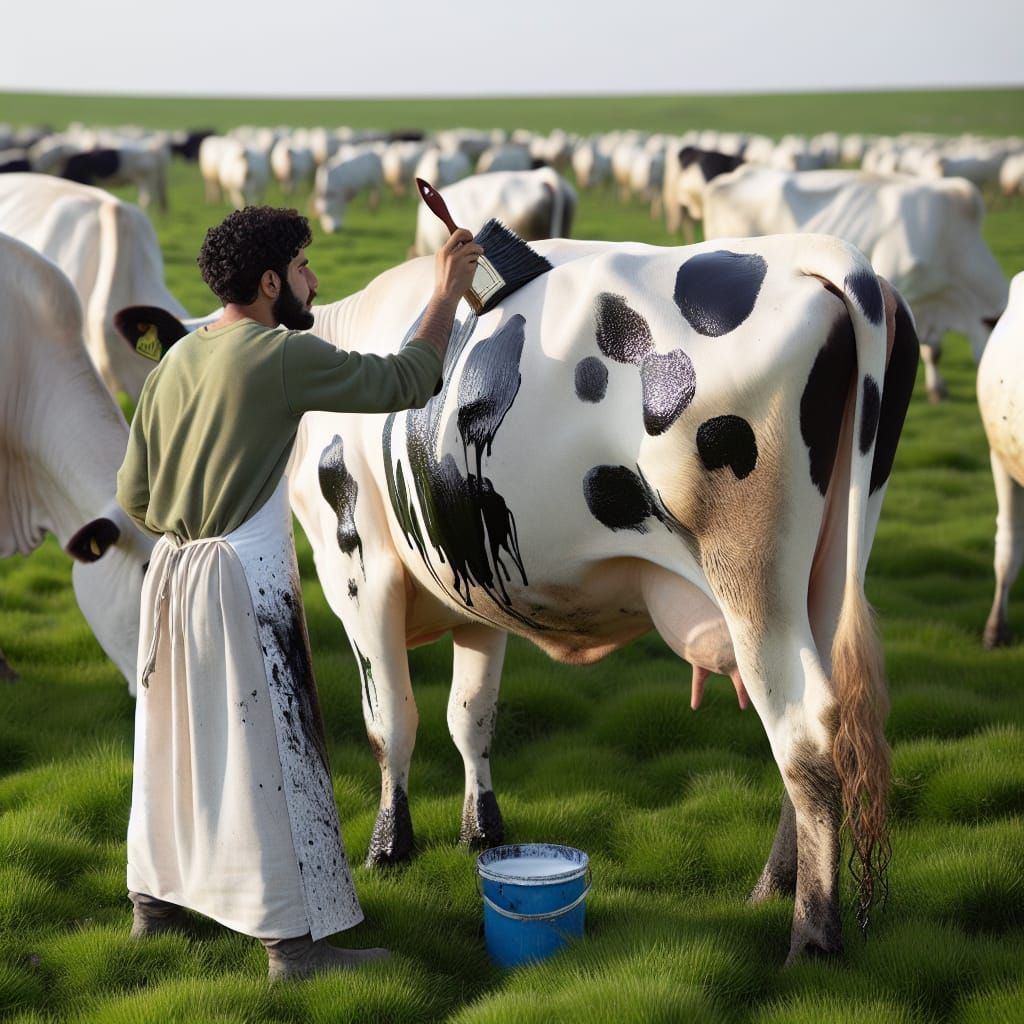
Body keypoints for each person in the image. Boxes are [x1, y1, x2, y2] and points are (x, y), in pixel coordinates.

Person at [115, 206, 483, 981]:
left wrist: (192, 527)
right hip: (244, 580)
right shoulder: (280, 354)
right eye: (306, 266)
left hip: (173, 576)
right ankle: (294, 949)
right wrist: (448, 289)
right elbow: (409, 380)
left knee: (174, 740)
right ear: (272, 280)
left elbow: (135, 497)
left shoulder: (176, 361)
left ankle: (154, 905)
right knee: (272, 757)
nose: (316, 281)